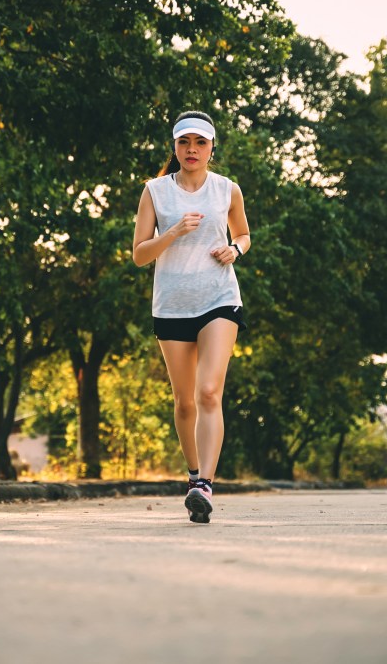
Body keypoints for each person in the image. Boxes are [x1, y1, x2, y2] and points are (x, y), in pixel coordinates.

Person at [132, 111, 250, 524]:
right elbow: (139, 255)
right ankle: (193, 476)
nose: (192, 150)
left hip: (219, 298)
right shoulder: (155, 192)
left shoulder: (227, 190)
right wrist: (174, 233)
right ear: (175, 147)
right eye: (185, 143)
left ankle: (205, 486)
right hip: (172, 304)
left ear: (212, 148)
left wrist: (235, 250)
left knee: (208, 393)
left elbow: (244, 234)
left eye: (201, 143)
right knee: (184, 403)